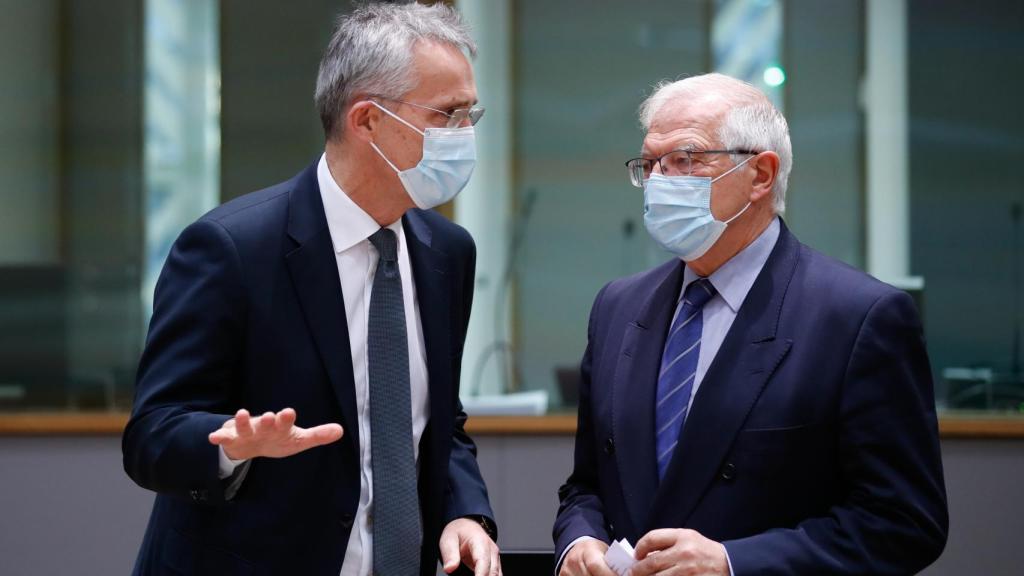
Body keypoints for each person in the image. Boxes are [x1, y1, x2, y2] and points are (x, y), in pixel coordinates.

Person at [122, 3, 501, 575]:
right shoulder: (231, 248)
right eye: (448, 115)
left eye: (471, 114)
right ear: (367, 120)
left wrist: (465, 513)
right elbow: (151, 435)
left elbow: (438, 423)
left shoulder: (448, 252)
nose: (464, 136)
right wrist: (230, 445)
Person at [553, 73, 948, 575]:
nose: (658, 182)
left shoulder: (858, 317)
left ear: (760, 175)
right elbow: (586, 485)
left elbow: (905, 522)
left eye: (685, 159)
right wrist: (579, 540)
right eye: (649, 164)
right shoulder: (618, 306)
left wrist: (734, 562)